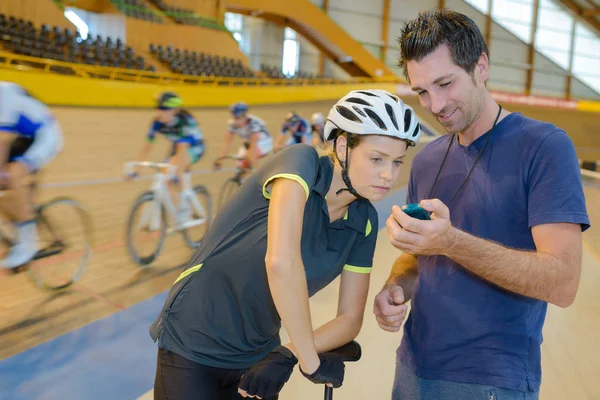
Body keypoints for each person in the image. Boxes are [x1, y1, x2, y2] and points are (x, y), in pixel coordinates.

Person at [372, 9, 590, 400]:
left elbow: (562, 283)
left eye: (444, 83)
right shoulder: (426, 159)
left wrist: (452, 241)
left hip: (491, 378)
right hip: (412, 367)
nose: (434, 105)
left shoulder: (544, 147)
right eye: (422, 91)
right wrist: (396, 286)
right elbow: (417, 258)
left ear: (481, 66)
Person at [149, 89, 422, 400]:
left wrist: (287, 354)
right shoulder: (300, 163)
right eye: (377, 159)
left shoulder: (365, 221)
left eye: (397, 162)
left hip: (257, 351)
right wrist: (310, 361)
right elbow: (281, 263)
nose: (389, 174)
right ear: (343, 146)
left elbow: (349, 319)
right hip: (194, 339)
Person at [0, 82, 63, 269]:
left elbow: (2, 144)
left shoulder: (3, 95)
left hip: (47, 136)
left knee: (12, 174)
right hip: (25, 138)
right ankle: (21, 212)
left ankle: (27, 244)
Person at [129, 92, 204, 222]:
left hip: (194, 147)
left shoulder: (184, 121)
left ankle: (185, 205)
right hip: (177, 147)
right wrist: (136, 167)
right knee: (167, 176)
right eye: (158, 108)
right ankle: (179, 212)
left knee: (175, 169)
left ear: (175, 110)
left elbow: (182, 151)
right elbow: (146, 147)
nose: (159, 112)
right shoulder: (156, 123)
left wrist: (174, 167)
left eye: (164, 109)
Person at [214, 102, 273, 172]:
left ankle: (260, 178)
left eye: (239, 118)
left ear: (245, 116)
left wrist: (253, 163)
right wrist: (219, 160)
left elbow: (253, 145)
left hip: (263, 143)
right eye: (235, 118)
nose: (237, 121)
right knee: (239, 164)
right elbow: (227, 144)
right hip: (248, 142)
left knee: (249, 161)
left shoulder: (253, 124)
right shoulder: (233, 125)